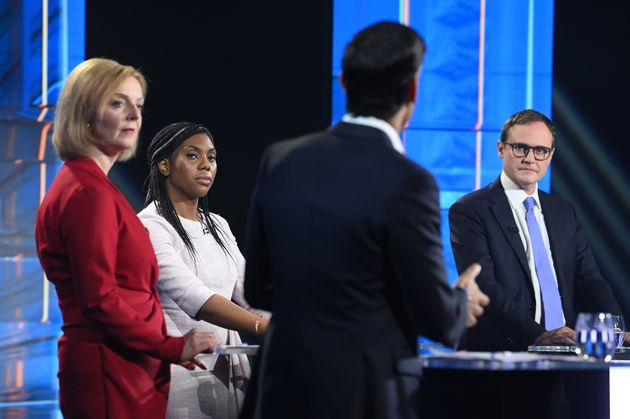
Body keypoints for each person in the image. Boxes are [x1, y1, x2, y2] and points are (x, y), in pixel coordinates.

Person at [241, 21, 490, 419]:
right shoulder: (409, 181)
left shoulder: (281, 158)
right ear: (412, 90)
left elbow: (258, 288)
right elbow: (434, 316)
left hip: (279, 389)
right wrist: (462, 301)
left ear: (344, 84)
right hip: (364, 396)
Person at [35, 58, 219, 419]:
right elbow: (100, 299)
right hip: (110, 371)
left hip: (125, 368)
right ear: (84, 112)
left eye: (138, 105)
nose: (133, 115)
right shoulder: (88, 192)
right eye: (118, 103)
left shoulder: (89, 185)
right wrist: (172, 346)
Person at [449, 109, 622, 351]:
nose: (531, 158)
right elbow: (485, 286)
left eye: (540, 151)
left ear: (550, 155)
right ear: (501, 149)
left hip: (566, 350)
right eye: (521, 148)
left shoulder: (563, 211)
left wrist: (615, 330)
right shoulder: (469, 210)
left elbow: (590, 279)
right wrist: (538, 336)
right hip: (503, 354)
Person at [138, 122, 270, 419]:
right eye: (192, 156)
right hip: (179, 376)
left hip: (230, 375)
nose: (205, 166)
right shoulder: (150, 224)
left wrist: (290, 324)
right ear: (164, 165)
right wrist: (263, 327)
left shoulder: (218, 224)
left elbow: (250, 293)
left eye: (211, 157)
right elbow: (195, 298)